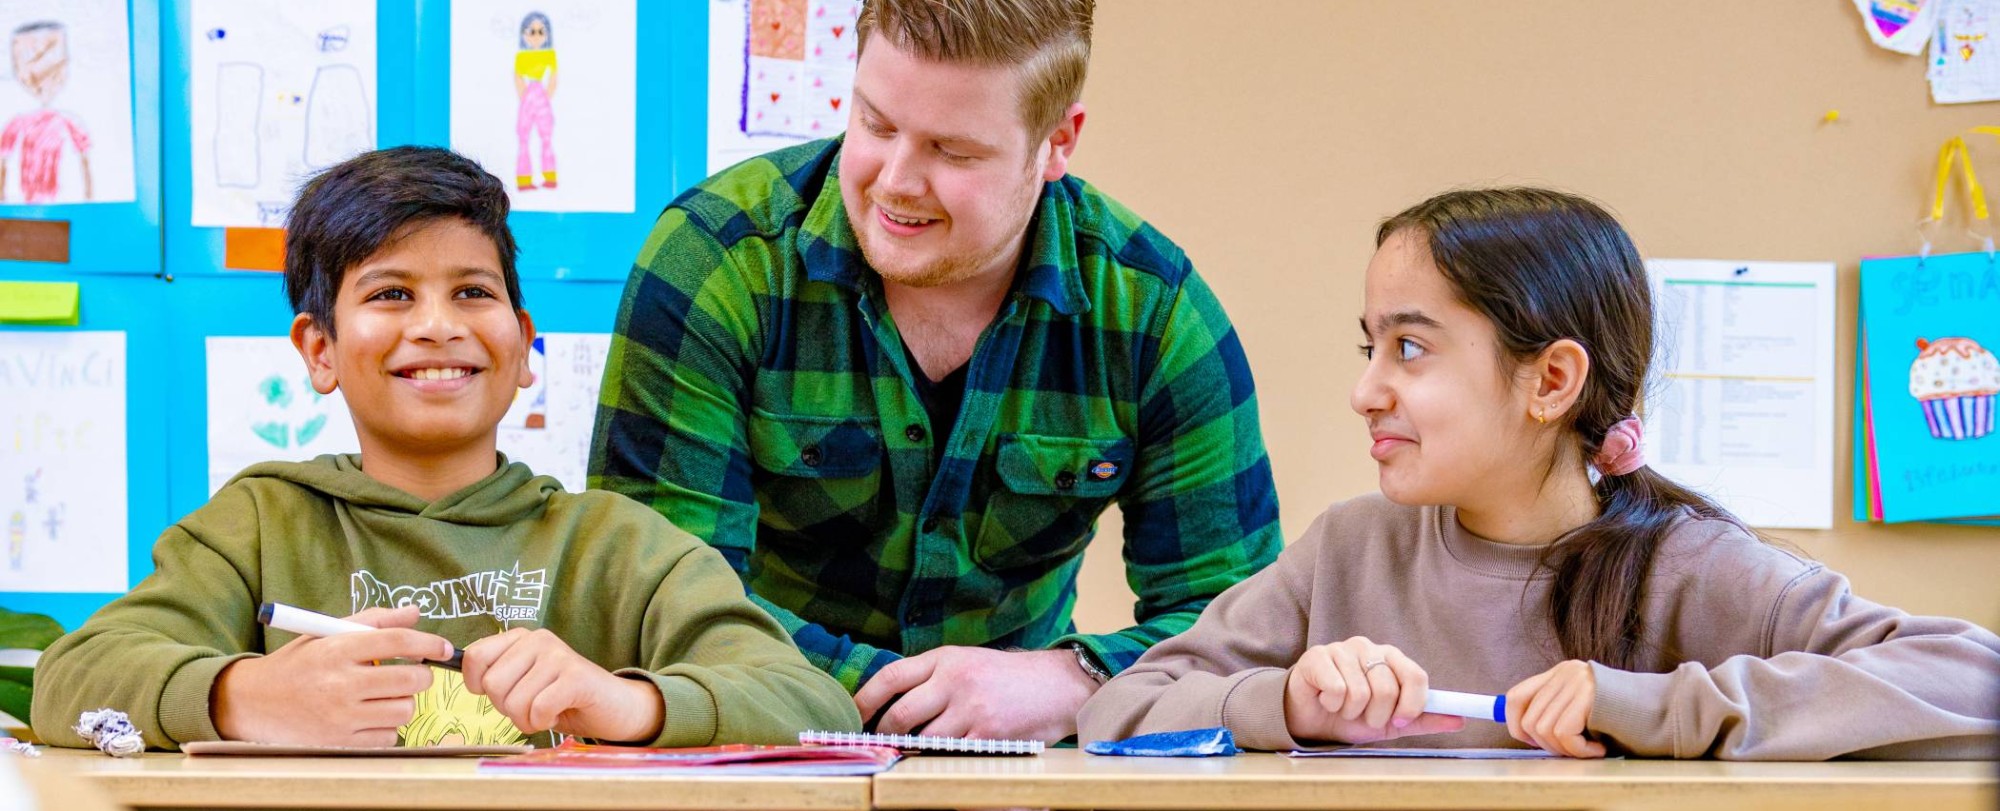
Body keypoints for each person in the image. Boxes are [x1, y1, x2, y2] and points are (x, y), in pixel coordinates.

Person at [1078, 188, 2000, 759]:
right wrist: (1291, 703)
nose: (1366, 391)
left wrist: (1656, 705)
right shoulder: (1348, 550)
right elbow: (1120, 710)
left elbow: (1974, 678)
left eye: (1409, 347)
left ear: (1551, 379)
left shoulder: (1691, 565)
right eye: (1369, 347)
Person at [590, 0, 1282, 741]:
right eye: (876, 123)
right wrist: (917, 705)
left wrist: (1071, 679)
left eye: (951, 151)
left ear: (1057, 142)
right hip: (757, 758)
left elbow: (1238, 628)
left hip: (1022, 775)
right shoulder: (714, 263)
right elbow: (658, 600)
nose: (894, 182)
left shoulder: (1152, 312)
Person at [31, 146, 859, 751]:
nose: (438, 322)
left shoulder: (618, 545)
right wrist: (244, 694)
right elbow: (71, 678)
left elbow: (811, 701)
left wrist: (624, 701)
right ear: (319, 350)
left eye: (472, 290)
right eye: (391, 293)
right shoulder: (256, 525)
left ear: (524, 344)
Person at [1, 20, 93, 203]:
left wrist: (88, 200)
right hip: (23, 206)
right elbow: (4, 164)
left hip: (62, 203)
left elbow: (85, 163)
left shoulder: (69, 122)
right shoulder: (16, 124)